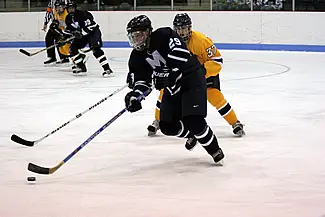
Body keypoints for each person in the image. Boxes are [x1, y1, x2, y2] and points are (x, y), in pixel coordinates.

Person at [124, 15, 224, 164]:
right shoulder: (136, 57)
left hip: (191, 79)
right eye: (133, 37)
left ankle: (215, 150)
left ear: (147, 32)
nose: (136, 40)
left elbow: (181, 53)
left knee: (194, 120)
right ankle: (193, 134)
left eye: (138, 36)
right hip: (173, 87)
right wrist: (135, 96)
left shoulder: (164, 35)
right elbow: (142, 81)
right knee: (167, 126)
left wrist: (166, 73)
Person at [147, 13, 245, 150]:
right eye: (179, 29)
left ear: (190, 28)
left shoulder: (201, 40)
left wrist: (202, 71)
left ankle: (235, 122)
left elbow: (217, 61)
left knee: (215, 96)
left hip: (204, 75)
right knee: (164, 92)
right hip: (180, 77)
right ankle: (158, 120)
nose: (181, 32)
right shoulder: (169, 42)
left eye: (184, 28)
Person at [62, 1, 114, 77]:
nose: (70, 10)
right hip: (83, 35)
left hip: (93, 32)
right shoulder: (68, 18)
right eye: (69, 8)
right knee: (72, 49)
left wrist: (81, 33)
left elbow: (93, 25)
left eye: (72, 8)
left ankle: (107, 69)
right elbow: (69, 30)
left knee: (95, 49)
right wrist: (63, 39)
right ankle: (81, 67)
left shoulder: (83, 14)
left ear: (75, 8)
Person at [43, 0, 70, 65]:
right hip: (57, 25)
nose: (58, 9)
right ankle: (51, 57)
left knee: (60, 40)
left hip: (65, 29)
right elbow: (49, 11)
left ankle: (64, 57)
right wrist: (46, 23)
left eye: (60, 7)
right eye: (57, 8)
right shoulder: (53, 5)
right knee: (48, 38)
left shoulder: (67, 12)